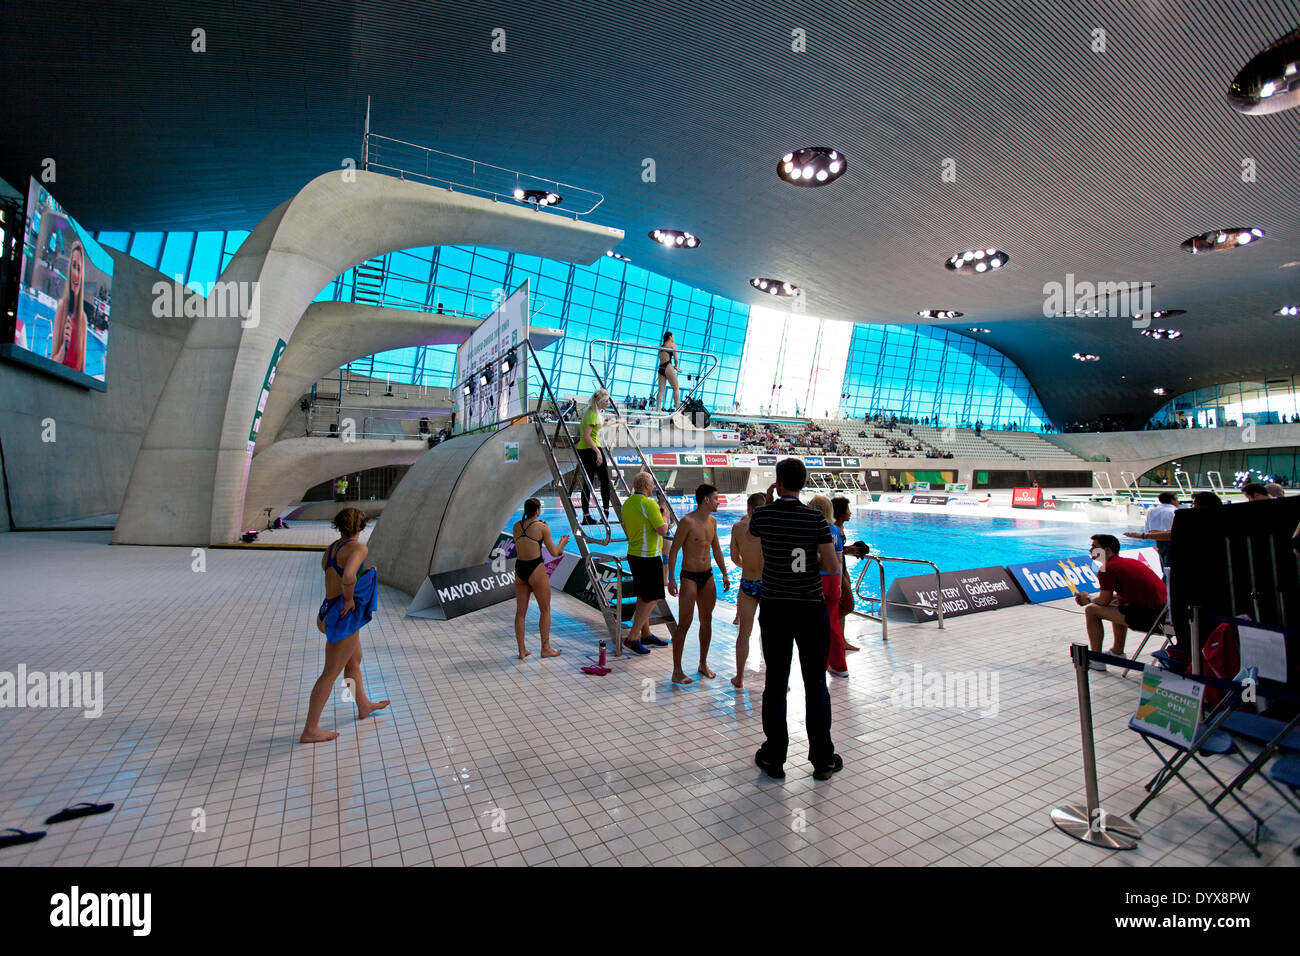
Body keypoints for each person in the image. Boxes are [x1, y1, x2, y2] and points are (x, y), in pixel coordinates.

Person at [749, 458, 842, 781]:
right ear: (803, 483)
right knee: (816, 683)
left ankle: (774, 756)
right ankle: (822, 759)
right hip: (809, 608)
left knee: (775, 682)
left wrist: (769, 498)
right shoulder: (816, 518)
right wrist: (807, 558)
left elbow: (757, 528)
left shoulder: (763, 514)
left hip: (775, 608)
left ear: (778, 482)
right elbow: (831, 566)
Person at [301, 509, 389, 743]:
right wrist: (350, 598)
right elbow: (348, 576)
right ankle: (311, 728)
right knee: (329, 673)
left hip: (327, 610)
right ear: (361, 527)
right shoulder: (358, 548)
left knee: (354, 660)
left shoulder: (332, 548)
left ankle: (363, 704)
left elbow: (332, 572)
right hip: (343, 616)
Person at [1074, 533, 1167, 670]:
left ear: (1107, 550)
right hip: (1165, 614)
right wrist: (1096, 599)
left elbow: (1103, 601)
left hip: (1152, 619)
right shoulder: (1128, 562)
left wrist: (1088, 599)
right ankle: (1117, 652)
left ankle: (1097, 659)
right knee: (1116, 604)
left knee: (1091, 610)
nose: (1090, 549)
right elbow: (1115, 597)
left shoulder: (1108, 569)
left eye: (1094, 546)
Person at [666, 484, 730, 683]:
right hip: (689, 577)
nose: (719, 502)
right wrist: (671, 578)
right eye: (717, 498)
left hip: (708, 576)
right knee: (684, 623)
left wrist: (725, 574)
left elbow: (717, 550)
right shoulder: (687, 522)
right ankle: (677, 670)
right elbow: (674, 550)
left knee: (707, 620)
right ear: (706, 500)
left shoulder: (712, 522)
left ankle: (702, 664)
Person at [618, 471, 673, 655]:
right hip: (648, 557)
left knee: (643, 595)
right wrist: (663, 512)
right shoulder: (648, 504)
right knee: (654, 596)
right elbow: (663, 531)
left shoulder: (627, 504)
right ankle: (632, 638)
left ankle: (646, 633)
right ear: (647, 486)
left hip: (634, 554)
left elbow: (627, 530)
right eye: (652, 485)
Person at [511, 498, 569, 661]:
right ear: (537, 510)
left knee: (520, 613)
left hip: (520, 569)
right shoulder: (542, 528)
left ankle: (521, 651)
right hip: (535, 569)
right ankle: (545, 648)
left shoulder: (516, 526)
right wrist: (562, 543)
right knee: (545, 610)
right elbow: (554, 552)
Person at [729, 492, 770, 689]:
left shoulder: (737, 528)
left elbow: (734, 558)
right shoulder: (772, 527)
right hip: (769, 583)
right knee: (771, 633)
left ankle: (739, 677)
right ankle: (778, 677)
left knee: (744, 633)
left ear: (748, 508)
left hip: (748, 582)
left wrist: (748, 564)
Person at [832, 497, 869, 652]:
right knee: (848, 605)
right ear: (841, 513)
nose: (850, 512)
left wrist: (850, 549)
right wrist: (849, 550)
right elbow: (832, 551)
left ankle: (841, 640)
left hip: (843, 569)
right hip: (837, 570)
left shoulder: (839, 527)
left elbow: (839, 549)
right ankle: (826, 626)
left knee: (842, 606)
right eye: (848, 509)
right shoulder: (833, 529)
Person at [575, 388, 613, 525]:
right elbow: (586, 436)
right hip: (591, 450)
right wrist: (597, 452)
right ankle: (606, 513)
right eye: (606, 401)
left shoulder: (592, 412)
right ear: (600, 401)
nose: (608, 403)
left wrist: (615, 422)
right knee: (604, 482)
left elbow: (600, 424)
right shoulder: (591, 414)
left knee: (588, 483)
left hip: (585, 450)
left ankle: (586, 516)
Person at [50, 240, 88, 372]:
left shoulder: (83, 319)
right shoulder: (62, 307)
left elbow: (82, 370)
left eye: (79, 268)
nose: (76, 274)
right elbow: (52, 361)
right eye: (73, 266)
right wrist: (62, 350)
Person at [1124, 491, 1177, 566]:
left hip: (1157, 541)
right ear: (1172, 500)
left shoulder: (1152, 511)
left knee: (1164, 566)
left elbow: (1147, 529)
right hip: (1171, 541)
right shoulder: (1174, 511)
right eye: (1177, 499)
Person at [655, 331, 681, 413]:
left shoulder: (661, 347)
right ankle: (678, 408)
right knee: (676, 388)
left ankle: (658, 408)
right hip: (668, 366)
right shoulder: (673, 345)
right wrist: (676, 366)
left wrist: (671, 367)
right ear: (670, 337)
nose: (674, 338)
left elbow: (663, 359)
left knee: (661, 390)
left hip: (661, 368)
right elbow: (676, 359)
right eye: (673, 337)